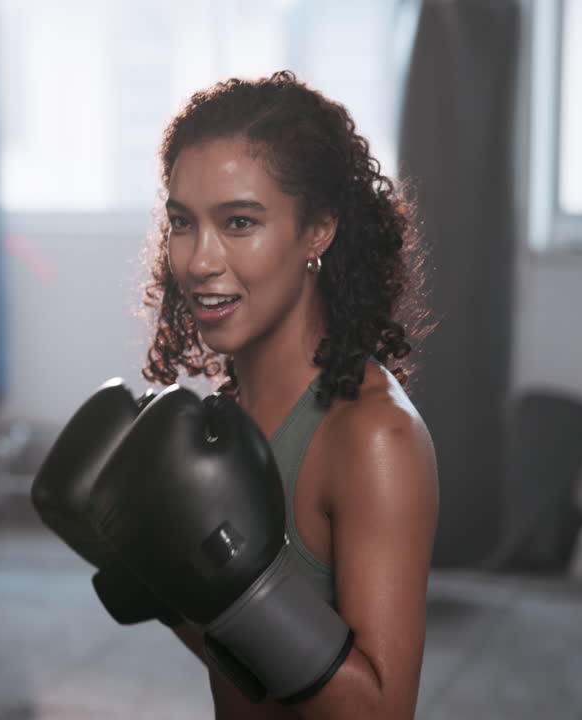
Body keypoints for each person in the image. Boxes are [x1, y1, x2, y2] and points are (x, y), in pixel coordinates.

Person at [138, 70, 439, 719]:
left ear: (318, 230)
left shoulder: (372, 437)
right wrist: (169, 593)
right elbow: (258, 685)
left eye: (239, 222)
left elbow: (380, 713)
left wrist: (232, 587)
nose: (198, 260)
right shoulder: (227, 416)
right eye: (183, 223)